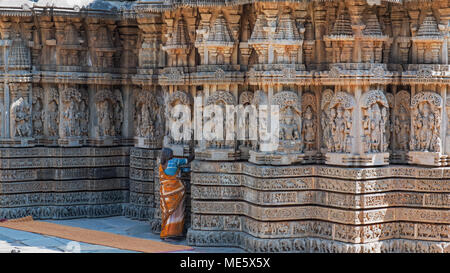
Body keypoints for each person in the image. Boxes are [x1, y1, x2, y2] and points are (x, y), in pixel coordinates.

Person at [159, 148, 194, 241]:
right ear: (170, 154)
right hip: (176, 192)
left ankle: (166, 232)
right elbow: (187, 160)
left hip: (165, 193)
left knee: (168, 213)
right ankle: (175, 233)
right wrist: (196, 154)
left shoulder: (161, 164)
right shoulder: (175, 161)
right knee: (177, 213)